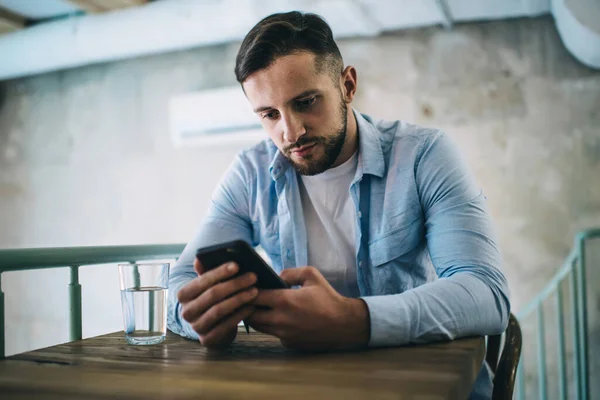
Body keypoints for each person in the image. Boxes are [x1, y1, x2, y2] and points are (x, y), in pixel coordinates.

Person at [168, 11, 510, 399]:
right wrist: (205, 319)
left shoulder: (424, 155)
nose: (290, 131)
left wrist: (356, 321)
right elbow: (180, 281)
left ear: (347, 84)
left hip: (419, 386)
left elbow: (486, 293)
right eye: (269, 114)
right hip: (307, 388)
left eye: (306, 101)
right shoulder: (251, 173)